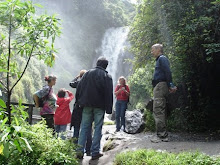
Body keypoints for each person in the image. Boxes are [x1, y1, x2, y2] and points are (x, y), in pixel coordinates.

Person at [76, 56, 113, 160]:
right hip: (100, 106)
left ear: (97, 63)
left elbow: (79, 87)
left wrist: (78, 101)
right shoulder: (107, 76)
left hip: (86, 104)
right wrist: (109, 109)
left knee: (84, 128)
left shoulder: (87, 73)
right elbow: (108, 94)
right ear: (106, 66)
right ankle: (95, 152)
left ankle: (79, 152)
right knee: (98, 128)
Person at [150, 43, 177, 143]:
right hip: (161, 86)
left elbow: (168, 71)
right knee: (161, 109)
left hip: (160, 86)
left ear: (158, 50)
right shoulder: (160, 59)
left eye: (152, 49)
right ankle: (163, 134)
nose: (151, 52)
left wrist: (171, 84)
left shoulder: (162, 58)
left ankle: (161, 135)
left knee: (158, 110)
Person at [69, 70, 92, 156]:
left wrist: (77, 77)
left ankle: (75, 148)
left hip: (78, 108)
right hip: (87, 108)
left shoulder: (78, 83)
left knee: (76, 128)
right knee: (88, 128)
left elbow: (71, 83)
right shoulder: (90, 84)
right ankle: (88, 149)